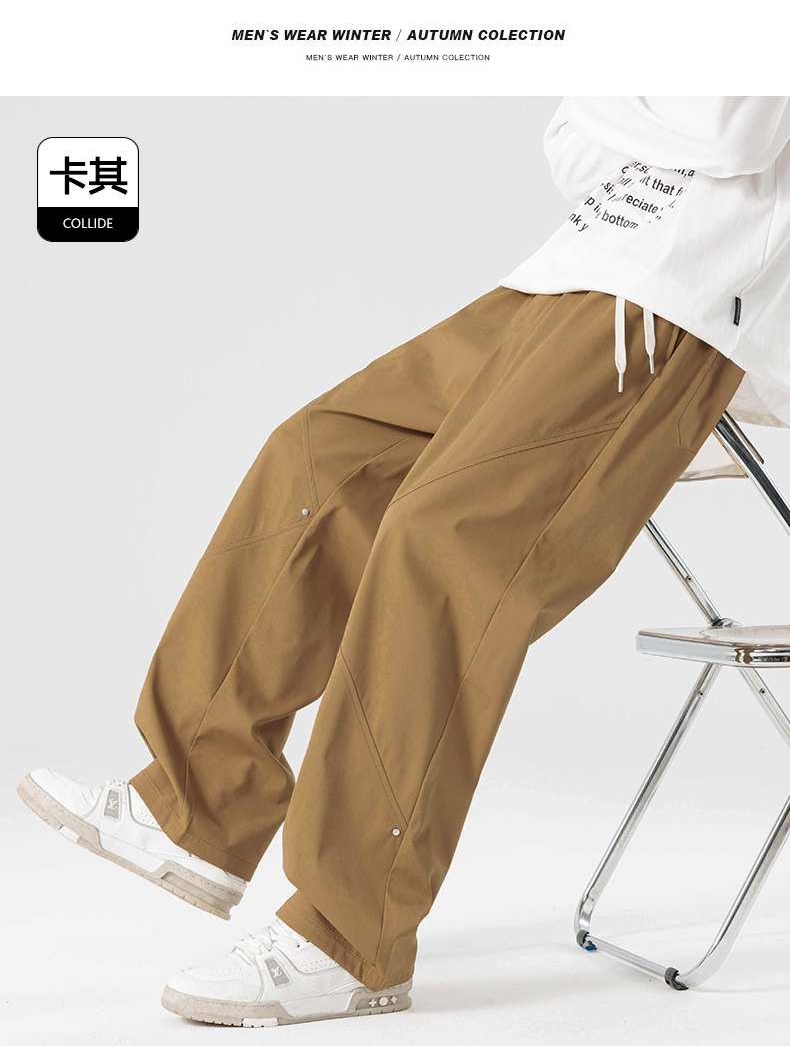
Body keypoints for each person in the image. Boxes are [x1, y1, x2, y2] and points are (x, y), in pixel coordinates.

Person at [18, 96, 790, 1028]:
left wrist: (622, 101)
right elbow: (570, 147)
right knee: (320, 456)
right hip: (565, 274)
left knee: (443, 540)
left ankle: (352, 934)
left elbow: (737, 130)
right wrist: (646, 109)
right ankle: (198, 804)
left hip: (682, 301)